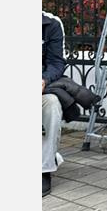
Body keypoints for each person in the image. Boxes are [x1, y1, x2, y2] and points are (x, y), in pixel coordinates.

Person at [42, 11, 66, 197]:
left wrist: (43, 80)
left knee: (52, 104)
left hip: (40, 88)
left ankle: (44, 168)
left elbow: (56, 63)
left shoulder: (51, 24)